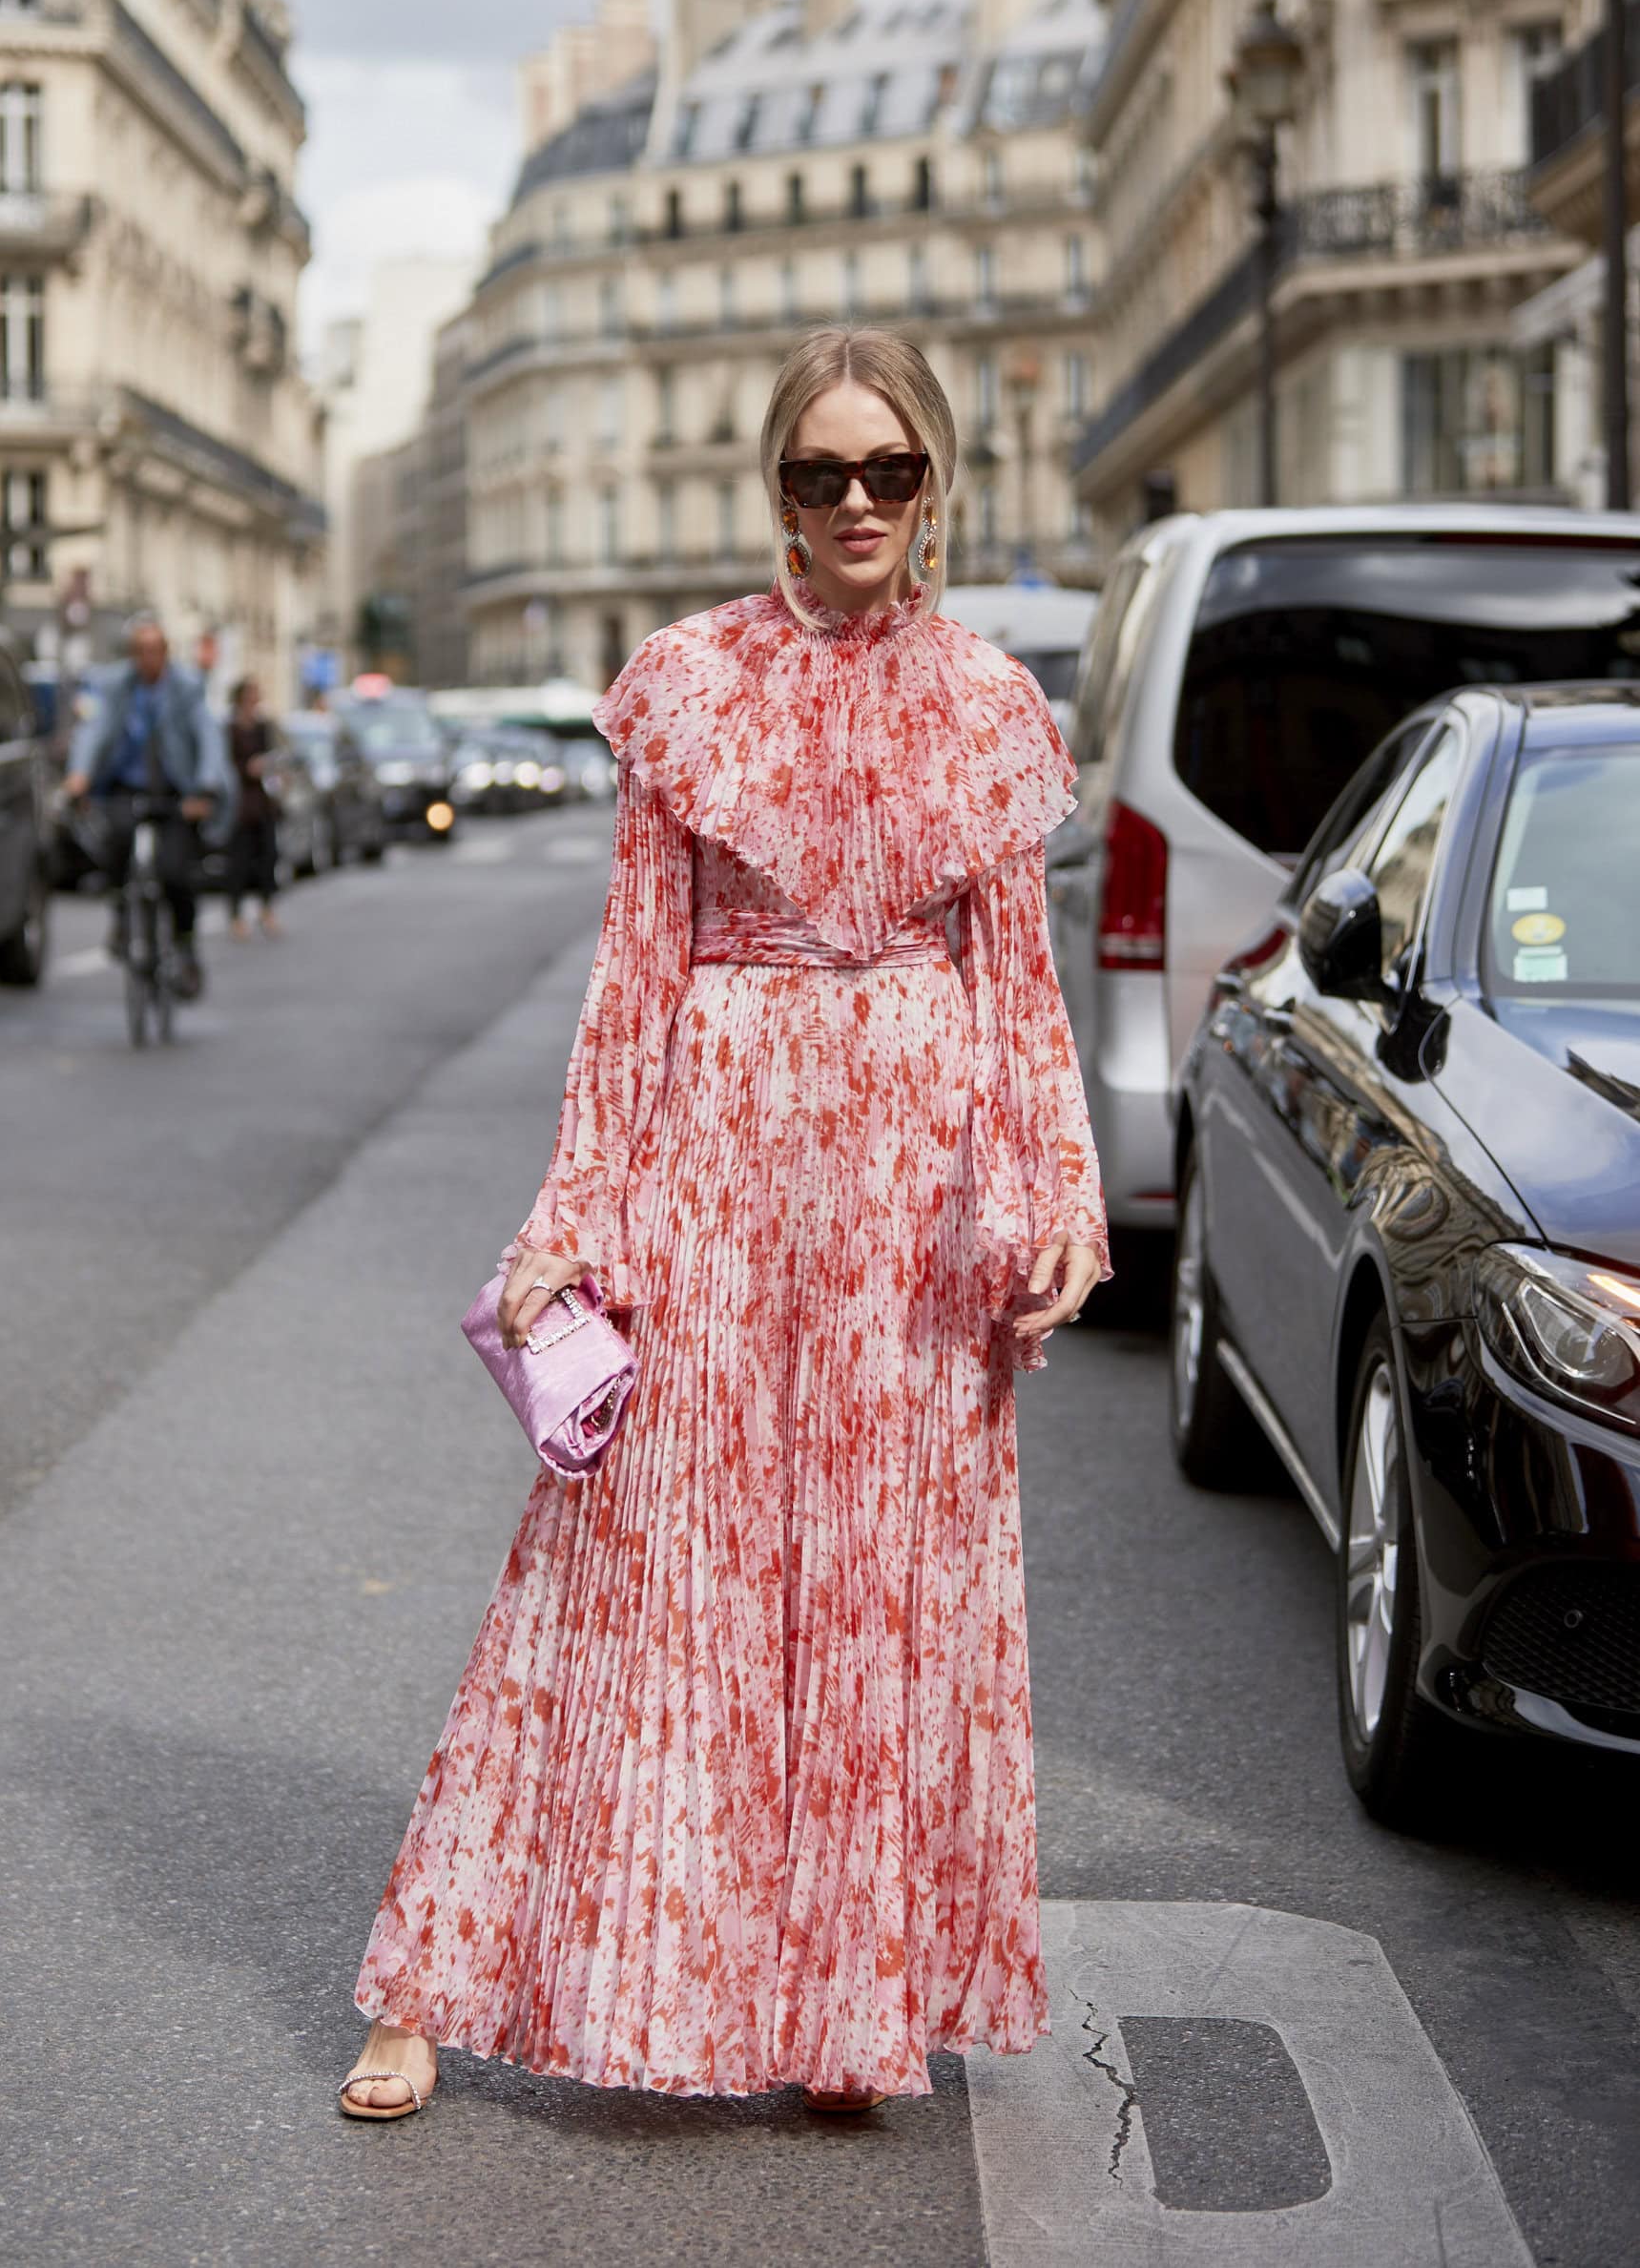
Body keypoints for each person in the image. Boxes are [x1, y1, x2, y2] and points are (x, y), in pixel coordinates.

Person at [342, 327, 1108, 2123]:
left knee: (875, 1599)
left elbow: (1020, 987)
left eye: (888, 472)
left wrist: (1049, 1195)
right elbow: (630, 981)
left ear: (936, 485)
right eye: (818, 475)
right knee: (621, 1576)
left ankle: (843, 2007)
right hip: (718, 1164)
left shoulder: (992, 703)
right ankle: (431, 1982)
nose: (855, 505)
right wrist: (580, 1213)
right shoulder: (684, 684)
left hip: (914, 1210)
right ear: (773, 491)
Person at [62, 616, 225, 997]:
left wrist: (206, 785)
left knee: (176, 874)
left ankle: (184, 947)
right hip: (126, 788)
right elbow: (94, 730)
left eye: (155, 651)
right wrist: (79, 774)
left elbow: (208, 736)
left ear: (166, 654)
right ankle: (122, 915)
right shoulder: (115, 686)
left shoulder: (187, 688)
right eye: (140, 651)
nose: (148, 659)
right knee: (113, 841)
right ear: (132, 656)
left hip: (176, 792)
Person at [224, 677, 281, 941]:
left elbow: (274, 756)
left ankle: (266, 909)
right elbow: (223, 764)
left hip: (263, 801)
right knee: (239, 860)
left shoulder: (263, 727)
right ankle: (236, 914)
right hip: (239, 803)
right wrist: (245, 768)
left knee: (268, 856)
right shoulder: (230, 728)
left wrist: (275, 771)